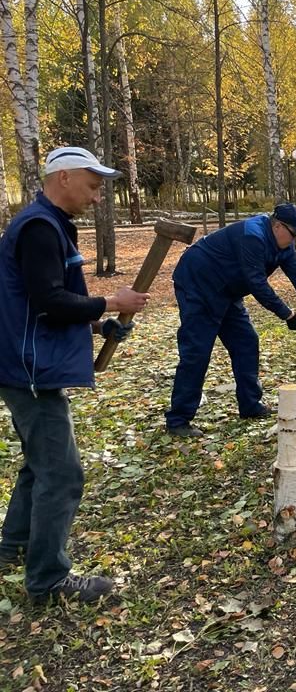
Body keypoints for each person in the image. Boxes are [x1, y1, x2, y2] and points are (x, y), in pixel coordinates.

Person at [0, 147, 149, 604]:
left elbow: (49, 299)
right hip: (29, 370)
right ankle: (47, 580)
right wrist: (111, 303)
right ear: (63, 177)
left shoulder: (49, 225)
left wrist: (98, 324)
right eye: (93, 182)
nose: (98, 194)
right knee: (62, 475)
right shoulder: (40, 228)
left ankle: (13, 545)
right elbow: (49, 301)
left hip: (26, 365)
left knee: (38, 463)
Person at [166, 203, 296, 437]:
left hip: (228, 290)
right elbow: (257, 283)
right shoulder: (253, 236)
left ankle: (250, 405)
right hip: (199, 284)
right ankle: (178, 420)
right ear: (278, 226)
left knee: (246, 342)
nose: (295, 239)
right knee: (197, 350)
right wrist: (287, 314)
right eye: (293, 233)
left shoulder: (284, 245)